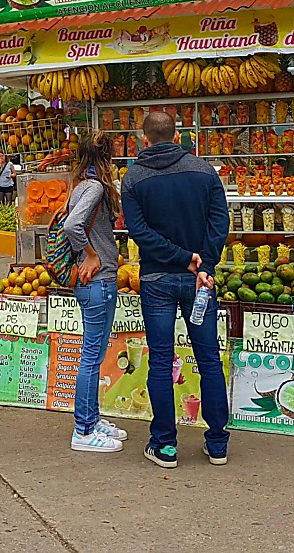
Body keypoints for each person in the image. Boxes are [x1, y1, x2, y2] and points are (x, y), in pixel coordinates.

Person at [121, 112, 230, 468]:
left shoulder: (133, 178)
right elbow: (220, 222)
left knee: (161, 360)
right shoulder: (204, 170)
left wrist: (183, 259)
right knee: (209, 359)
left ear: (144, 137)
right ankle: (217, 444)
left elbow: (139, 233)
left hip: (157, 281)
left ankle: (165, 444)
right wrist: (203, 265)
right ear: (177, 135)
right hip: (200, 281)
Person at [63, 131, 127, 453]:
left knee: (94, 354)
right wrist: (92, 254)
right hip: (98, 280)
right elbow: (72, 226)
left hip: (94, 282)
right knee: (91, 357)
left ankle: (91, 418)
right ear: (107, 156)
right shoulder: (95, 187)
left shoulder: (80, 185)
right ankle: (84, 430)